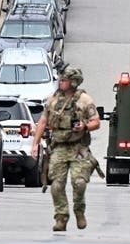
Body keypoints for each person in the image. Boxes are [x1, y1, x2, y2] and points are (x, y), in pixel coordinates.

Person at [32, 66, 101, 232]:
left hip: (79, 147)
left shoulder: (84, 99)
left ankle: (79, 210)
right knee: (56, 185)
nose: (60, 82)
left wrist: (84, 127)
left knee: (79, 183)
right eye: (60, 79)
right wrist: (35, 143)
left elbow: (96, 122)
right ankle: (61, 217)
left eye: (64, 80)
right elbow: (43, 122)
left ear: (73, 82)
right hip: (59, 147)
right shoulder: (53, 100)